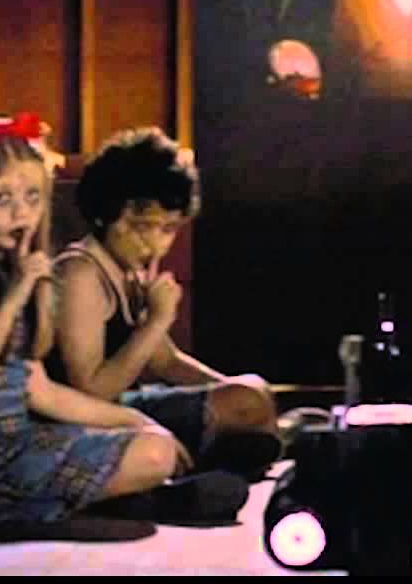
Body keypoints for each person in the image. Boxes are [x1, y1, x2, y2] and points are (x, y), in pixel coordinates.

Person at [0, 113, 244, 530]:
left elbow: (38, 389)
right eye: (2, 199)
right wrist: (17, 293)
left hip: (20, 439)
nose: (22, 214)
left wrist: (139, 422)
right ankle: (95, 504)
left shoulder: (9, 268)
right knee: (152, 455)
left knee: (154, 445)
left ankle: (117, 498)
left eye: (33, 197)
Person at [49, 127, 281, 483]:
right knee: (245, 407)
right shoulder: (82, 272)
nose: (155, 244)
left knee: (254, 392)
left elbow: (165, 361)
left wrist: (243, 394)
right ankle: (203, 473)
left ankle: (221, 466)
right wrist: (157, 320)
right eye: (142, 227)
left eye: (168, 229)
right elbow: (90, 390)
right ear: (105, 214)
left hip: (127, 406)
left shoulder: (130, 270)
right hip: (88, 423)